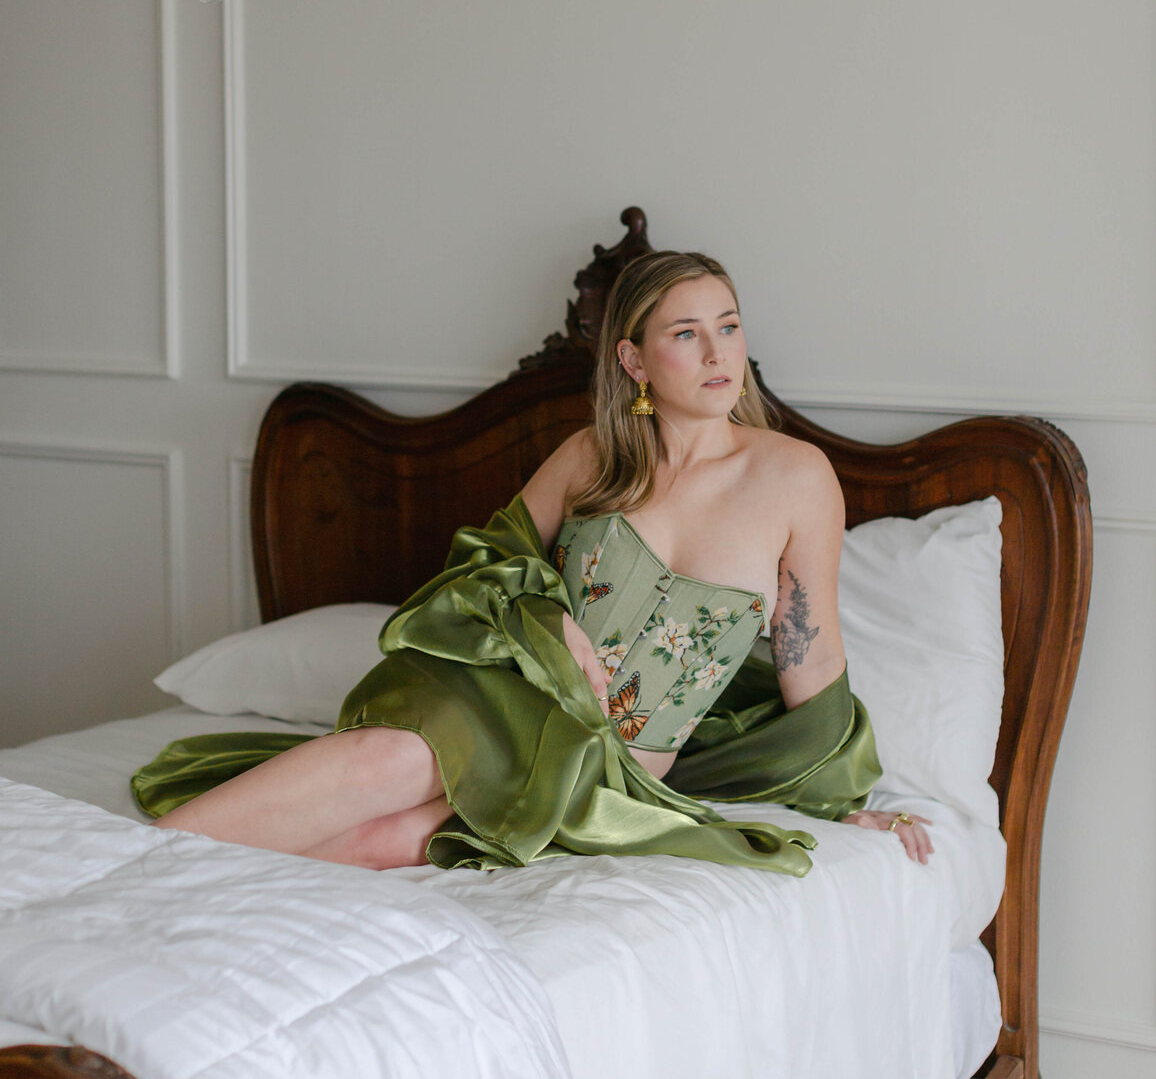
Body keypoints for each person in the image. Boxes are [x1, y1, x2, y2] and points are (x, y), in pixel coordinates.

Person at [133, 251, 932, 873]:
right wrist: (552, 617)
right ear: (634, 361)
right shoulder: (591, 457)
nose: (717, 352)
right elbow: (492, 558)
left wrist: (845, 800)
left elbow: (811, 654)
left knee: (393, 842)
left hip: (602, 766)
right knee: (390, 757)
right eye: (685, 334)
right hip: (512, 692)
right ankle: (119, 874)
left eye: (728, 326)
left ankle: (156, 895)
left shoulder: (794, 476)